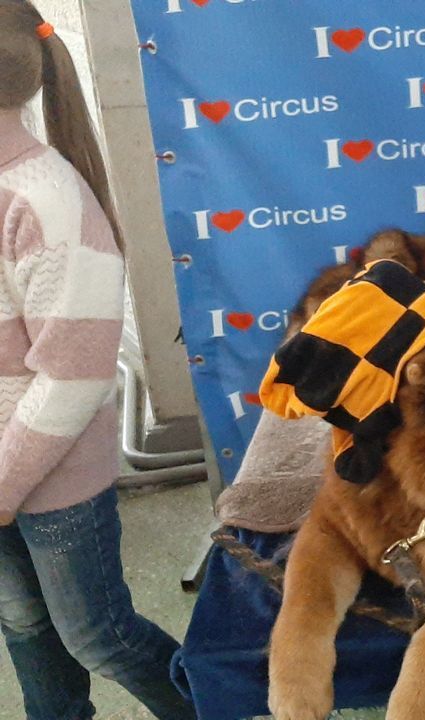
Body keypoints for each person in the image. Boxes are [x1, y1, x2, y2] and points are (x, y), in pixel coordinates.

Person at [0, 2, 196, 718]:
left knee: (99, 636)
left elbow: (73, 376)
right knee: (23, 624)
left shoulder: (46, 201)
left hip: (52, 479)